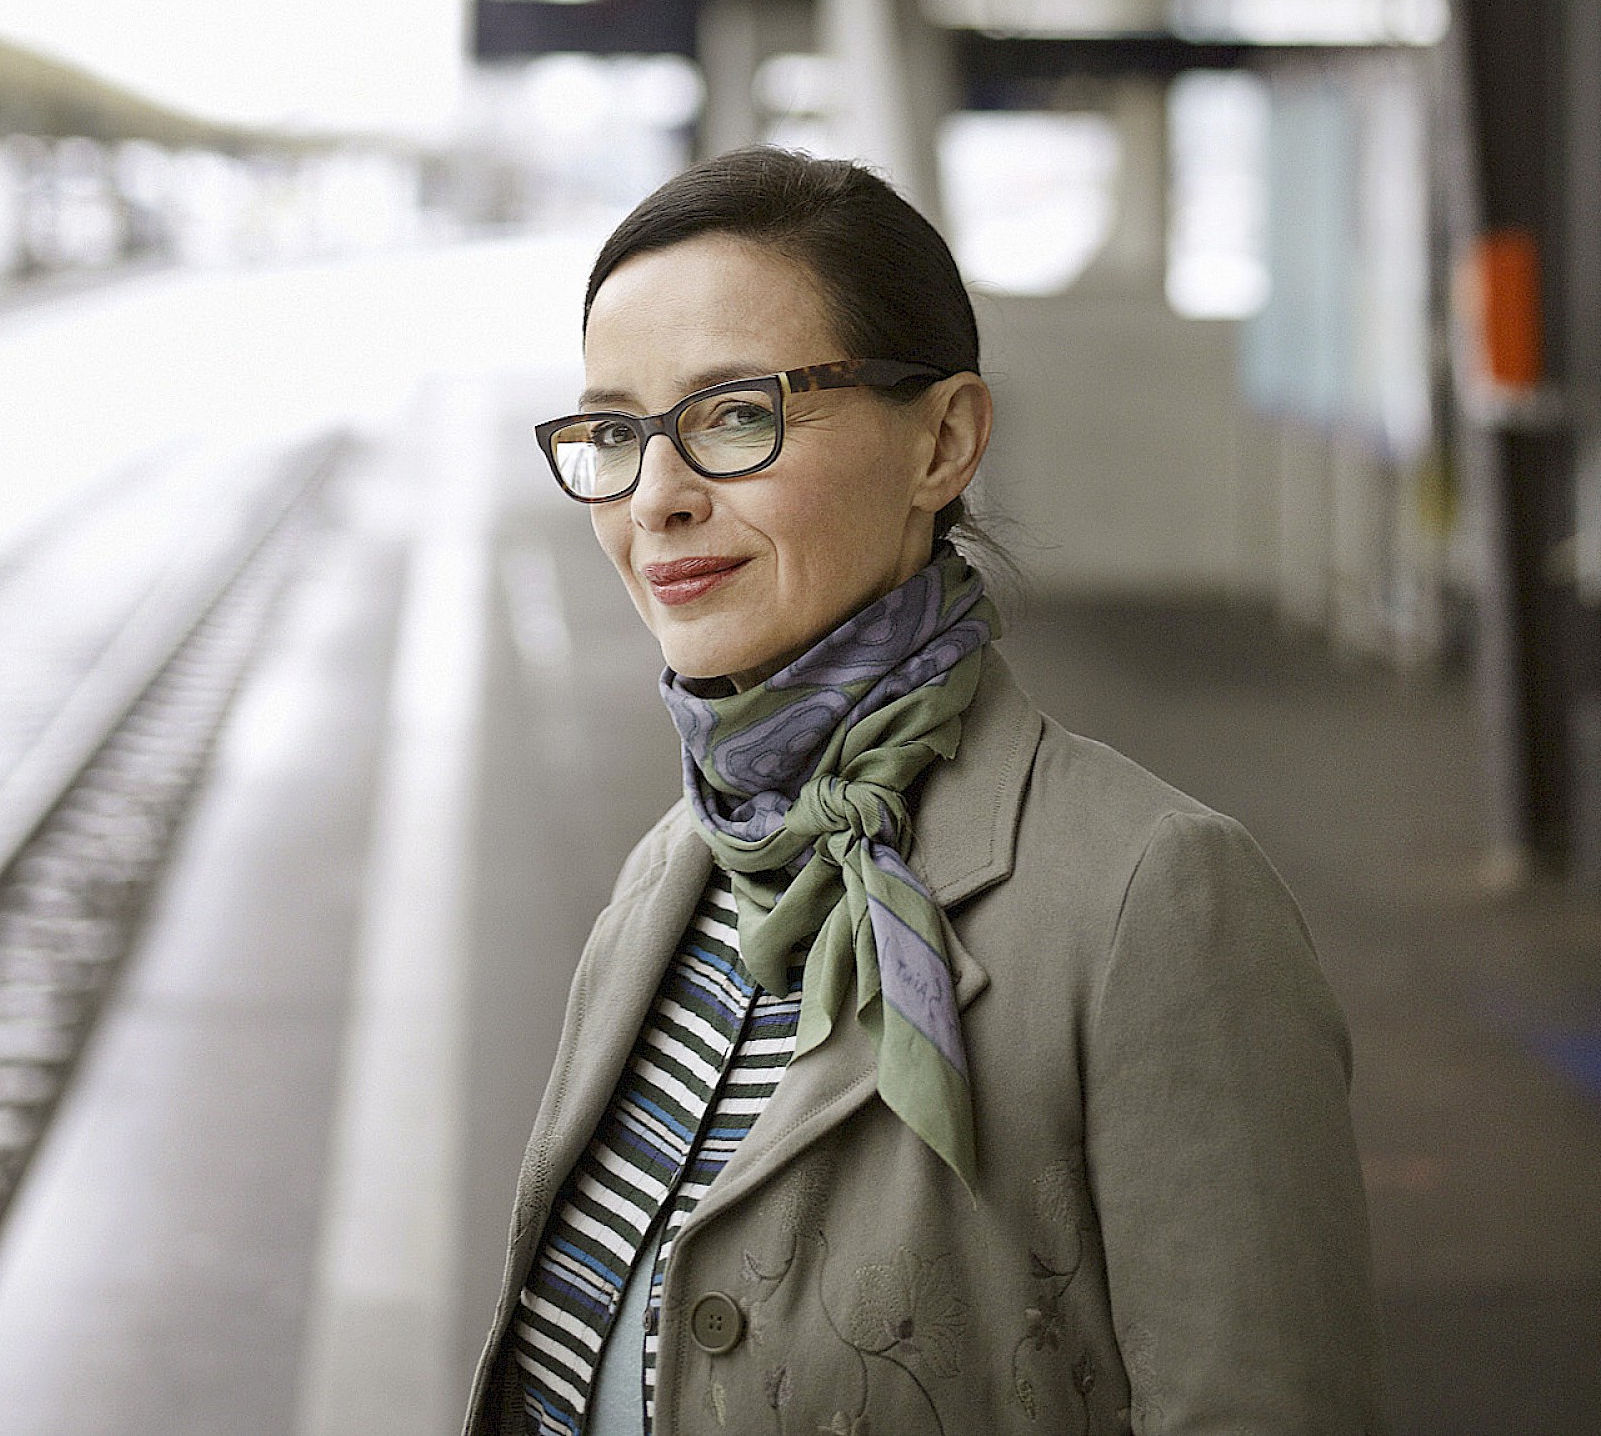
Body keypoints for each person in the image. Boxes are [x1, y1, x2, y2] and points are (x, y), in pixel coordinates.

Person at [465, 149, 1382, 1436]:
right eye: (614, 432)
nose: (657, 498)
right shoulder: (671, 873)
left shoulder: (1149, 900)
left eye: (734, 415)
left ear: (940, 440)